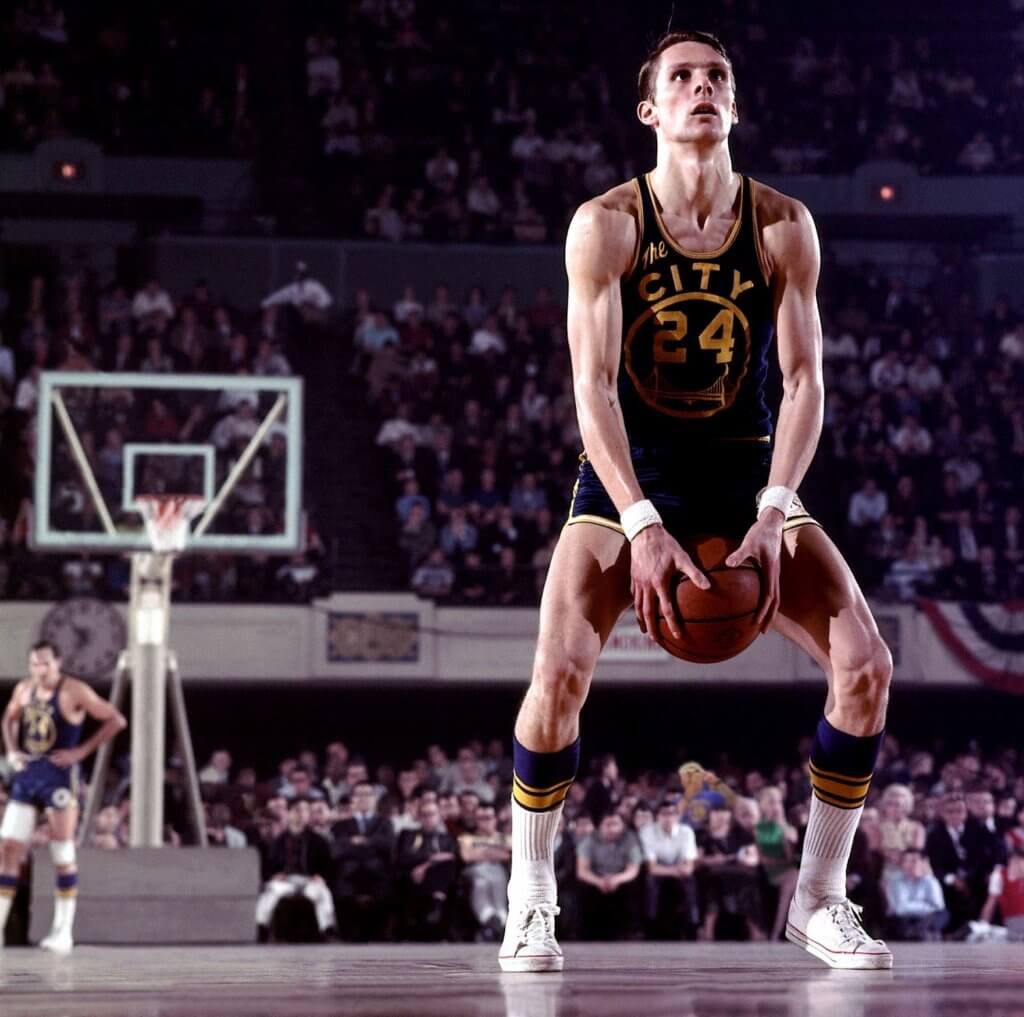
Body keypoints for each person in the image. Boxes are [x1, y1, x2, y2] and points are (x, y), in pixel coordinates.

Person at [501, 30, 893, 973]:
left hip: (745, 464)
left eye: (716, 77)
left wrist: (774, 507)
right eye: (680, 78)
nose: (701, 88)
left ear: (735, 105)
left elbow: (804, 384)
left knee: (868, 665)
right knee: (555, 674)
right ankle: (530, 896)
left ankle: (818, 898)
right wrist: (638, 522)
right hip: (633, 472)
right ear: (651, 110)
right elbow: (591, 394)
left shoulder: (783, 225)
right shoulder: (605, 224)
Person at [0, 641, 126, 952]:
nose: (39, 670)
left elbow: (115, 720)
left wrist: (81, 751)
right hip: (29, 775)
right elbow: (8, 718)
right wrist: (12, 751)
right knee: (8, 849)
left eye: (45, 663)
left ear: (58, 662)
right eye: (34, 664)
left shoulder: (75, 690)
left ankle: (63, 930)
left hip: (59, 777)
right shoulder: (24, 689)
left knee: (62, 853)